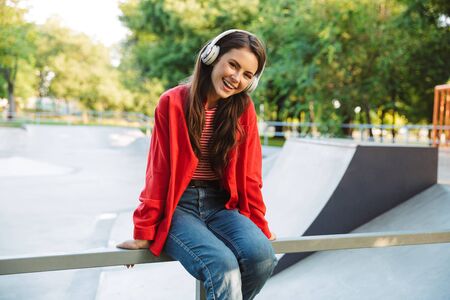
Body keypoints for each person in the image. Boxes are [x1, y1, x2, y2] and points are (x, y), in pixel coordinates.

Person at [117, 29, 277, 300]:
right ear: (211, 56)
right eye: (233, 65)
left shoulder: (243, 109)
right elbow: (158, 171)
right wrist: (143, 231)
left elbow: (250, 175)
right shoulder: (172, 102)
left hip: (221, 205)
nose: (236, 78)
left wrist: (259, 227)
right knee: (222, 265)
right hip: (180, 207)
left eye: (247, 75)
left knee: (262, 256)